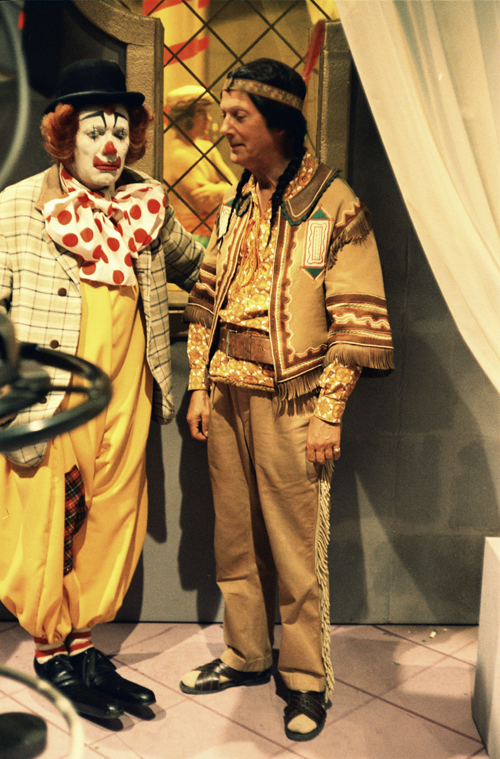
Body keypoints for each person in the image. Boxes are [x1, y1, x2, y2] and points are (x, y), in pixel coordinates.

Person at [181, 58, 395, 741]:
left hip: (294, 401)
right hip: (227, 396)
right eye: (224, 114)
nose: (224, 128)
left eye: (238, 116)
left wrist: (329, 411)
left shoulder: (335, 204)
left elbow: (356, 318)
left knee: (297, 551)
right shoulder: (236, 203)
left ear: (278, 123)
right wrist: (198, 382)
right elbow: (205, 295)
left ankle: (305, 679)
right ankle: (246, 654)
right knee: (234, 539)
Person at [0, 59, 204, 721]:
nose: (110, 145)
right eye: (95, 131)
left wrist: (268, 251)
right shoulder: (19, 207)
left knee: (114, 514)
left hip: (128, 389)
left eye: (119, 130)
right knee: (48, 519)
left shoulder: (146, 203)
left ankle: (83, 646)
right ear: (66, 136)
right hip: (53, 396)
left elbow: (201, 263)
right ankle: (48, 651)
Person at [164, 85, 237, 246]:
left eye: (207, 112)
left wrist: (219, 190)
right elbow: (207, 204)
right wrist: (226, 189)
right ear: (185, 116)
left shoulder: (207, 148)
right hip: (189, 239)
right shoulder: (178, 155)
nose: (208, 118)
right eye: (201, 112)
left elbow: (238, 188)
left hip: (214, 234)